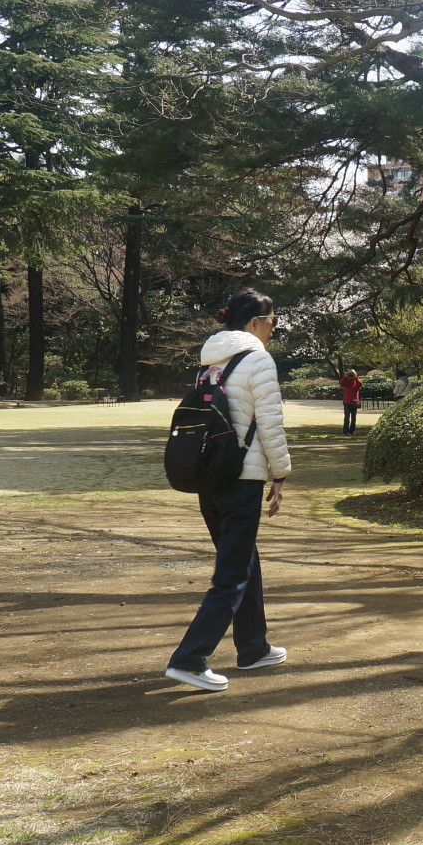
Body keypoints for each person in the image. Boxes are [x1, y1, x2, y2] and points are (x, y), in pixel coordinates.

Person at [164, 288, 292, 692]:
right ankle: (189, 658)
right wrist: (281, 473)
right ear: (254, 323)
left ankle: (253, 647)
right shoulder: (258, 359)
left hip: (209, 474)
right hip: (242, 476)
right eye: (273, 320)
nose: (275, 327)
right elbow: (269, 421)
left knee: (242, 558)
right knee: (232, 573)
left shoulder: (210, 360)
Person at [338, 369, 363, 436]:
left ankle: (352, 430)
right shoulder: (345, 382)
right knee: (347, 417)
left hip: (354, 402)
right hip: (347, 402)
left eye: (352, 374)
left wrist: (356, 377)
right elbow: (340, 383)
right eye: (350, 374)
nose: (351, 376)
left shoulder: (356, 382)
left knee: (353, 417)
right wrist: (345, 377)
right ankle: (345, 431)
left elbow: (360, 384)